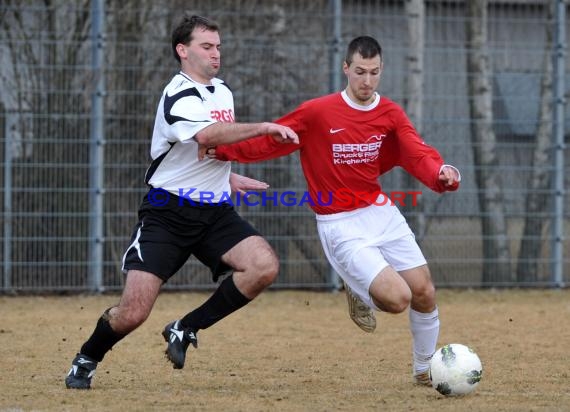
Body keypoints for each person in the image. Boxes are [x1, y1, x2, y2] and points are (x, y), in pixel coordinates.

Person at [209, 35, 461, 385]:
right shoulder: (318, 112)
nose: (367, 81)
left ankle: (424, 370)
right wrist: (223, 151)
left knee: (424, 292)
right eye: (360, 71)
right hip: (340, 224)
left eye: (374, 73)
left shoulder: (389, 113)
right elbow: (273, 139)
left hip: (380, 212)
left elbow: (415, 151)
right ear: (346, 68)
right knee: (398, 299)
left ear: (381, 71)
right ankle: (359, 290)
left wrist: (441, 173)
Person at [64, 14, 298, 389]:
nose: (216, 53)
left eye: (218, 46)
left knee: (263, 266)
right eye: (207, 46)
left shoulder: (222, 91)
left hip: (214, 210)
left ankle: (185, 328)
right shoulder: (178, 93)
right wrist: (264, 127)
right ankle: (87, 357)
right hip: (167, 215)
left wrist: (227, 176)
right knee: (133, 313)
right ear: (183, 50)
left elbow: (208, 150)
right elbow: (209, 134)